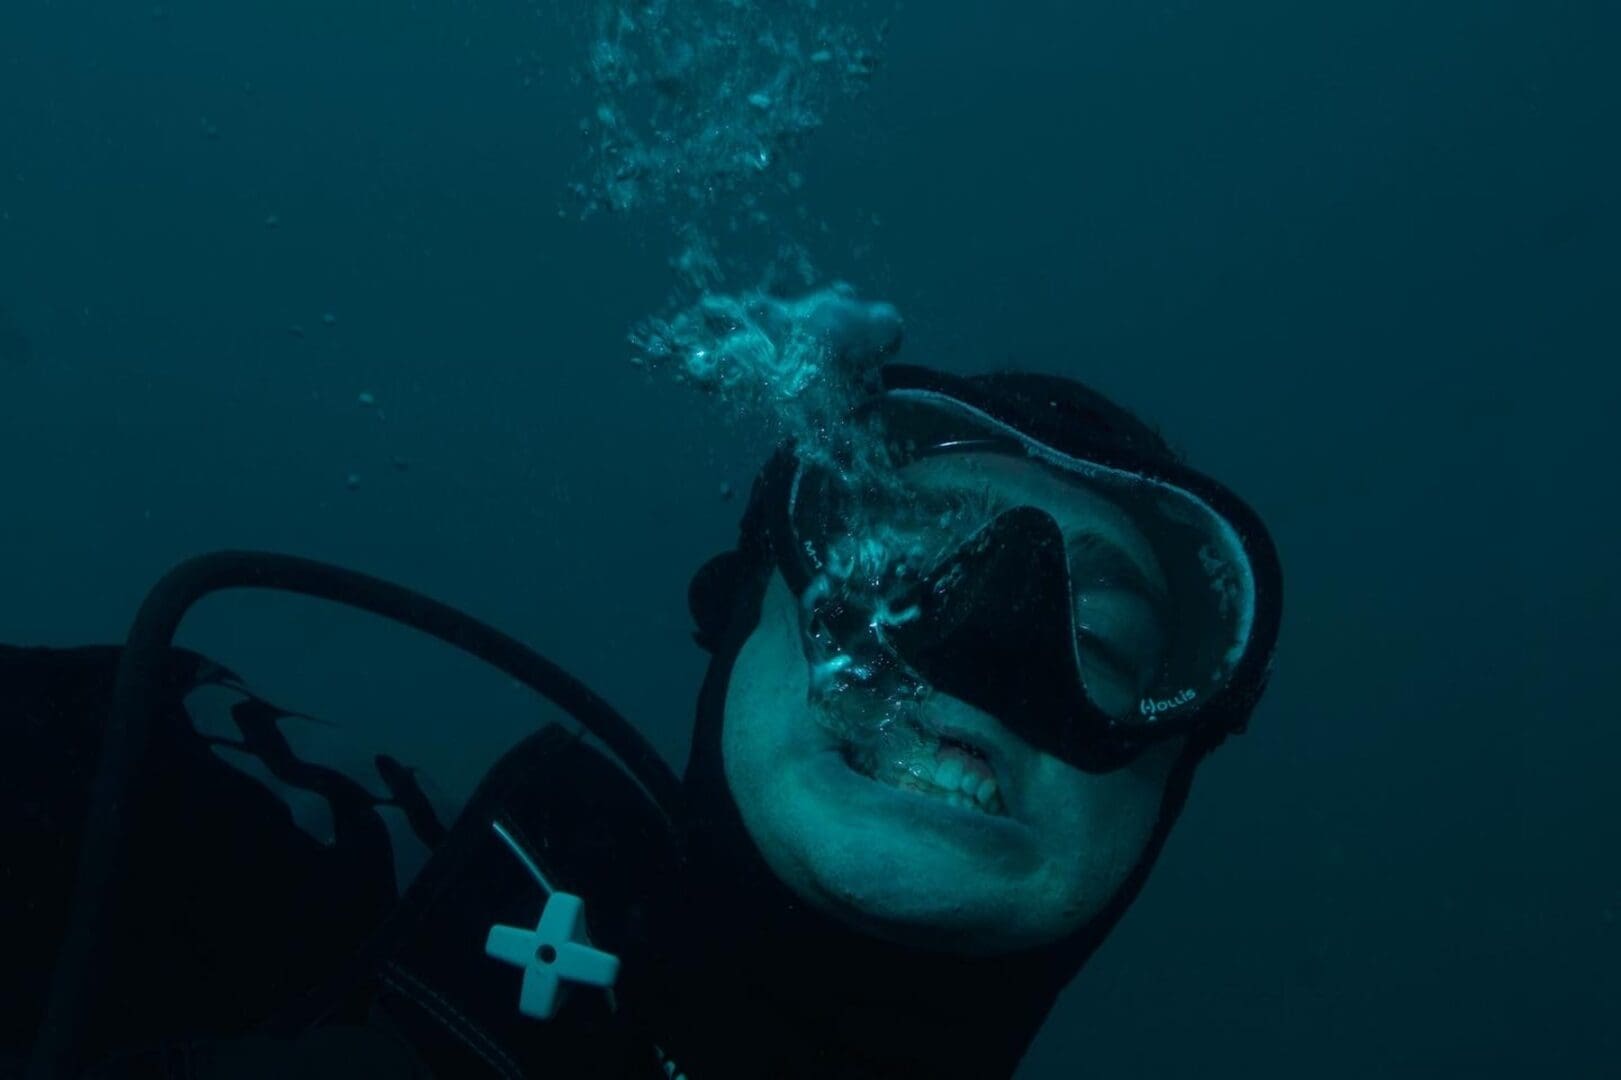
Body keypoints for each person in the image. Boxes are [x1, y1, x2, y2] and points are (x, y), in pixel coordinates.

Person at [1, 355, 1282, 1078]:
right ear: (737, 628)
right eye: (893, 571)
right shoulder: (316, 861)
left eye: (1101, 642)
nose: (979, 652)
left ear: (1168, 783)